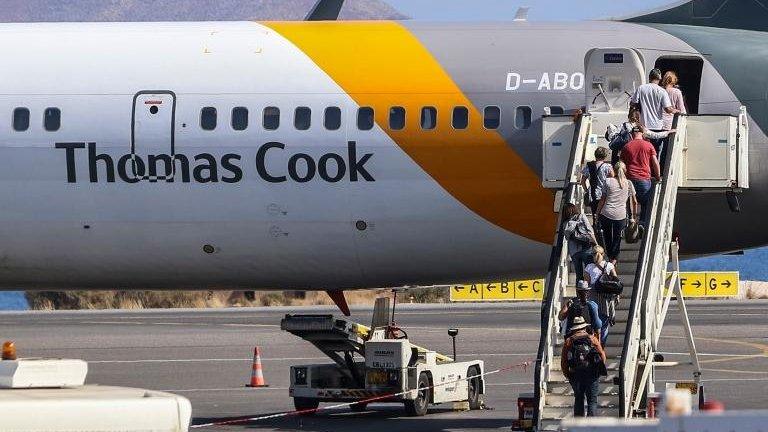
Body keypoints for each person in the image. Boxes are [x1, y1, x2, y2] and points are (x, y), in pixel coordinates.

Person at [561, 316, 607, 417]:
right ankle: (590, 428)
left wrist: (568, 374)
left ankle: (578, 426)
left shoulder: (569, 341)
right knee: (592, 401)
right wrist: (598, 370)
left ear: (574, 329)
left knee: (579, 399)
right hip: (591, 374)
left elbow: (564, 361)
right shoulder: (592, 339)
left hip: (576, 374)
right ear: (584, 327)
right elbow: (602, 355)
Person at [631, 68, 680, 160]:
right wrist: (677, 111)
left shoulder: (641, 88)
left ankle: (645, 168)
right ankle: (654, 171)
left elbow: (633, 103)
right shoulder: (662, 91)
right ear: (660, 78)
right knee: (655, 152)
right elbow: (668, 109)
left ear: (649, 77)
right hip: (657, 126)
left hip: (643, 126)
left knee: (644, 151)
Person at [597, 161, 638, 263]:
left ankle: (610, 258)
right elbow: (634, 202)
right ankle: (613, 260)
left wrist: (597, 213)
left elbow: (602, 199)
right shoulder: (629, 183)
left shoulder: (608, 181)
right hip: (620, 215)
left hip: (606, 213)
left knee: (607, 237)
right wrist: (633, 217)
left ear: (614, 170)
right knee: (617, 239)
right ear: (625, 170)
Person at [620, 126, 661, 226]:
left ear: (633, 134)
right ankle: (642, 224)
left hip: (629, 179)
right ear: (642, 133)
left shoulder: (626, 146)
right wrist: (658, 176)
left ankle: (630, 221)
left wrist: (621, 177)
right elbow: (655, 163)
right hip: (644, 179)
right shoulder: (648, 145)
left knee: (629, 202)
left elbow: (621, 164)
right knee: (646, 203)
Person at [607, 108, 674, 164]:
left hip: (621, 152)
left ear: (629, 116)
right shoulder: (641, 128)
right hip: (634, 153)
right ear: (639, 117)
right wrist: (668, 132)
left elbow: (613, 136)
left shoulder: (623, 125)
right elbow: (655, 135)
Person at [584, 246, 619, 346]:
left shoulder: (589, 267)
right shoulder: (609, 265)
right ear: (603, 254)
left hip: (593, 295)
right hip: (606, 296)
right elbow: (616, 281)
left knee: (594, 320)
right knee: (604, 322)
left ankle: (595, 342)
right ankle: (601, 345)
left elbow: (586, 283)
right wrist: (616, 295)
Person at [562, 203, 599, 278]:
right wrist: (596, 244)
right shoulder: (581, 216)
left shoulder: (565, 223)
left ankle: (580, 289)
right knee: (590, 272)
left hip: (574, 251)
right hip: (586, 248)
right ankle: (590, 289)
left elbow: (567, 237)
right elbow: (590, 231)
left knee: (579, 275)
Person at [581, 147, 614, 218]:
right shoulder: (607, 167)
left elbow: (583, 181)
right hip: (604, 194)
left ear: (595, 155)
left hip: (593, 194)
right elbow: (612, 180)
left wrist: (587, 190)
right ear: (605, 156)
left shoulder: (589, 166)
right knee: (604, 215)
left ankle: (595, 227)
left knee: (595, 215)